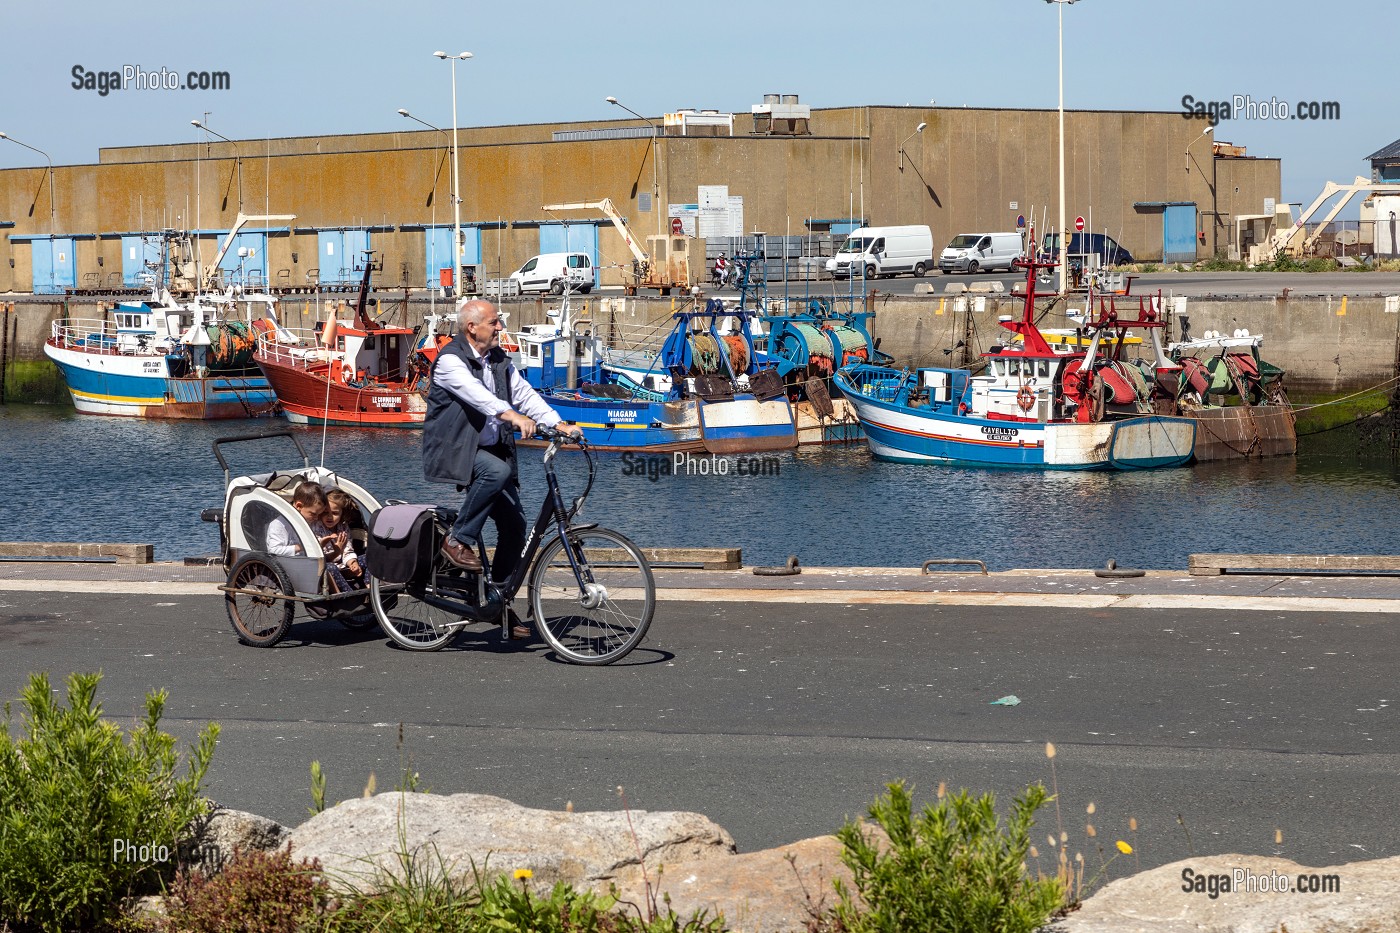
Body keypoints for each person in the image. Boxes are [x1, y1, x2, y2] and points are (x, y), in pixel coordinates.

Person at [422, 298, 582, 639]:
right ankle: (456, 540)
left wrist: (559, 423)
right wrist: (512, 416)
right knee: (496, 473)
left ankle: (495, 601)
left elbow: (524, 395)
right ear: (472, 328)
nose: (500, 327)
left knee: (516, 527)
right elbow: (480, 397)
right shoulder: (451, 361)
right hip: (457, 450)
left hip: (493, 450)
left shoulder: (498, 360)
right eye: (495, 322)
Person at [313, 489, 365, 591]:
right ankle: (348, 596)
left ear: (342, 514)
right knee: (330, 567)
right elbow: (319, 559)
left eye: (335, 513)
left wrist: (352, 562)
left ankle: (369, 588)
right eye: (325, 512)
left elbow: (347, 550)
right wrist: (336, 551)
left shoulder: (343, 528)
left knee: (368, 559)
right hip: (325, 567)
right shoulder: (316, 527)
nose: (329, 517)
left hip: (342, 565)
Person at [267, 482, 326, 557]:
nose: (317, 518)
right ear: (299, 506)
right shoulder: (279, 524)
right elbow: (273, 551)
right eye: (313, 514)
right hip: (286, 564)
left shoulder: (309, 521)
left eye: (319, 514)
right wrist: (302, 547)